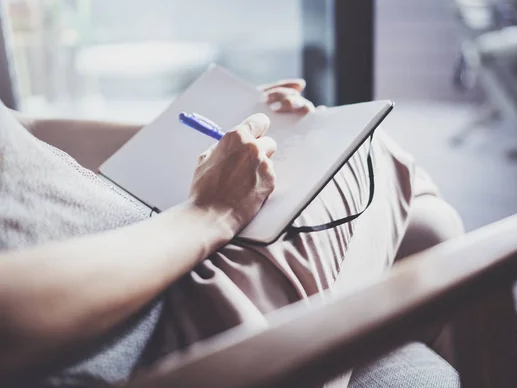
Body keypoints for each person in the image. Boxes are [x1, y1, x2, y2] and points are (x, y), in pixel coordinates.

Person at [0, 79, 464, 387]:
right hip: (159, 330)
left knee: (428, 229)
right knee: (372, 152)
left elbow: (22, 129)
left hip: (155, 260)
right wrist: (212, 212)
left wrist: (216, 137)